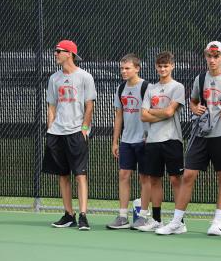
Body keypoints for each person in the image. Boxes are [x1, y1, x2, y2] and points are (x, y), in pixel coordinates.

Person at [157, 42, 221, 235]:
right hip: (201, 134)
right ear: (206, 57)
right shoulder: (200, 78)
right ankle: (177, 222)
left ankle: (217, 222)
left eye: (217, 56)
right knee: (189, 174)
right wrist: (194, 108)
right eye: (210, 56)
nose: (213, 59)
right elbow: (193, 101)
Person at [43, 39, 97, 230]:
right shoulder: (53, 78)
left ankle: (83, 216)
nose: (55, 54)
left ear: (69, 54)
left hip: (76, 133)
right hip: (56, 133)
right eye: (55, 51)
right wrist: (51, 128)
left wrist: (84, 129)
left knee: (80, 175)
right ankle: (69, 215)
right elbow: (51, 105)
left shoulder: (85, 77)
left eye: (58, 51)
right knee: (62, 175)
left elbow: (89, 105)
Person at [138, 51, 185, 232]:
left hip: (172, 139)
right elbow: (143, 115)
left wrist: (155, 112)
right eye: (160, 66)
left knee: (175, 179)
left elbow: (169, 113)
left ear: (172, 66)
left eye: (166, 66)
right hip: (153, 141)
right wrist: (162, 112)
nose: (163, 69)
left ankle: (179, 222)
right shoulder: (151, 88)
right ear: (156, 67)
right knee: (154, 180)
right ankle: (157, 220)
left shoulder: (177, 87)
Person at [107, 54, 151, 230]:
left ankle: (143, 216)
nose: (124, 72)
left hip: (144, 140)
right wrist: (115, 141)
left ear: (137, 68)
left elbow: (152, 113)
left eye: (127, 68)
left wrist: (150, 136)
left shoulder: (147, 87)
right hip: (126, 140)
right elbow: (119, 116)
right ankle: (123, 216)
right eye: (122, 68)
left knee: (145, 177)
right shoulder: (120, 89)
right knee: (124, 175)